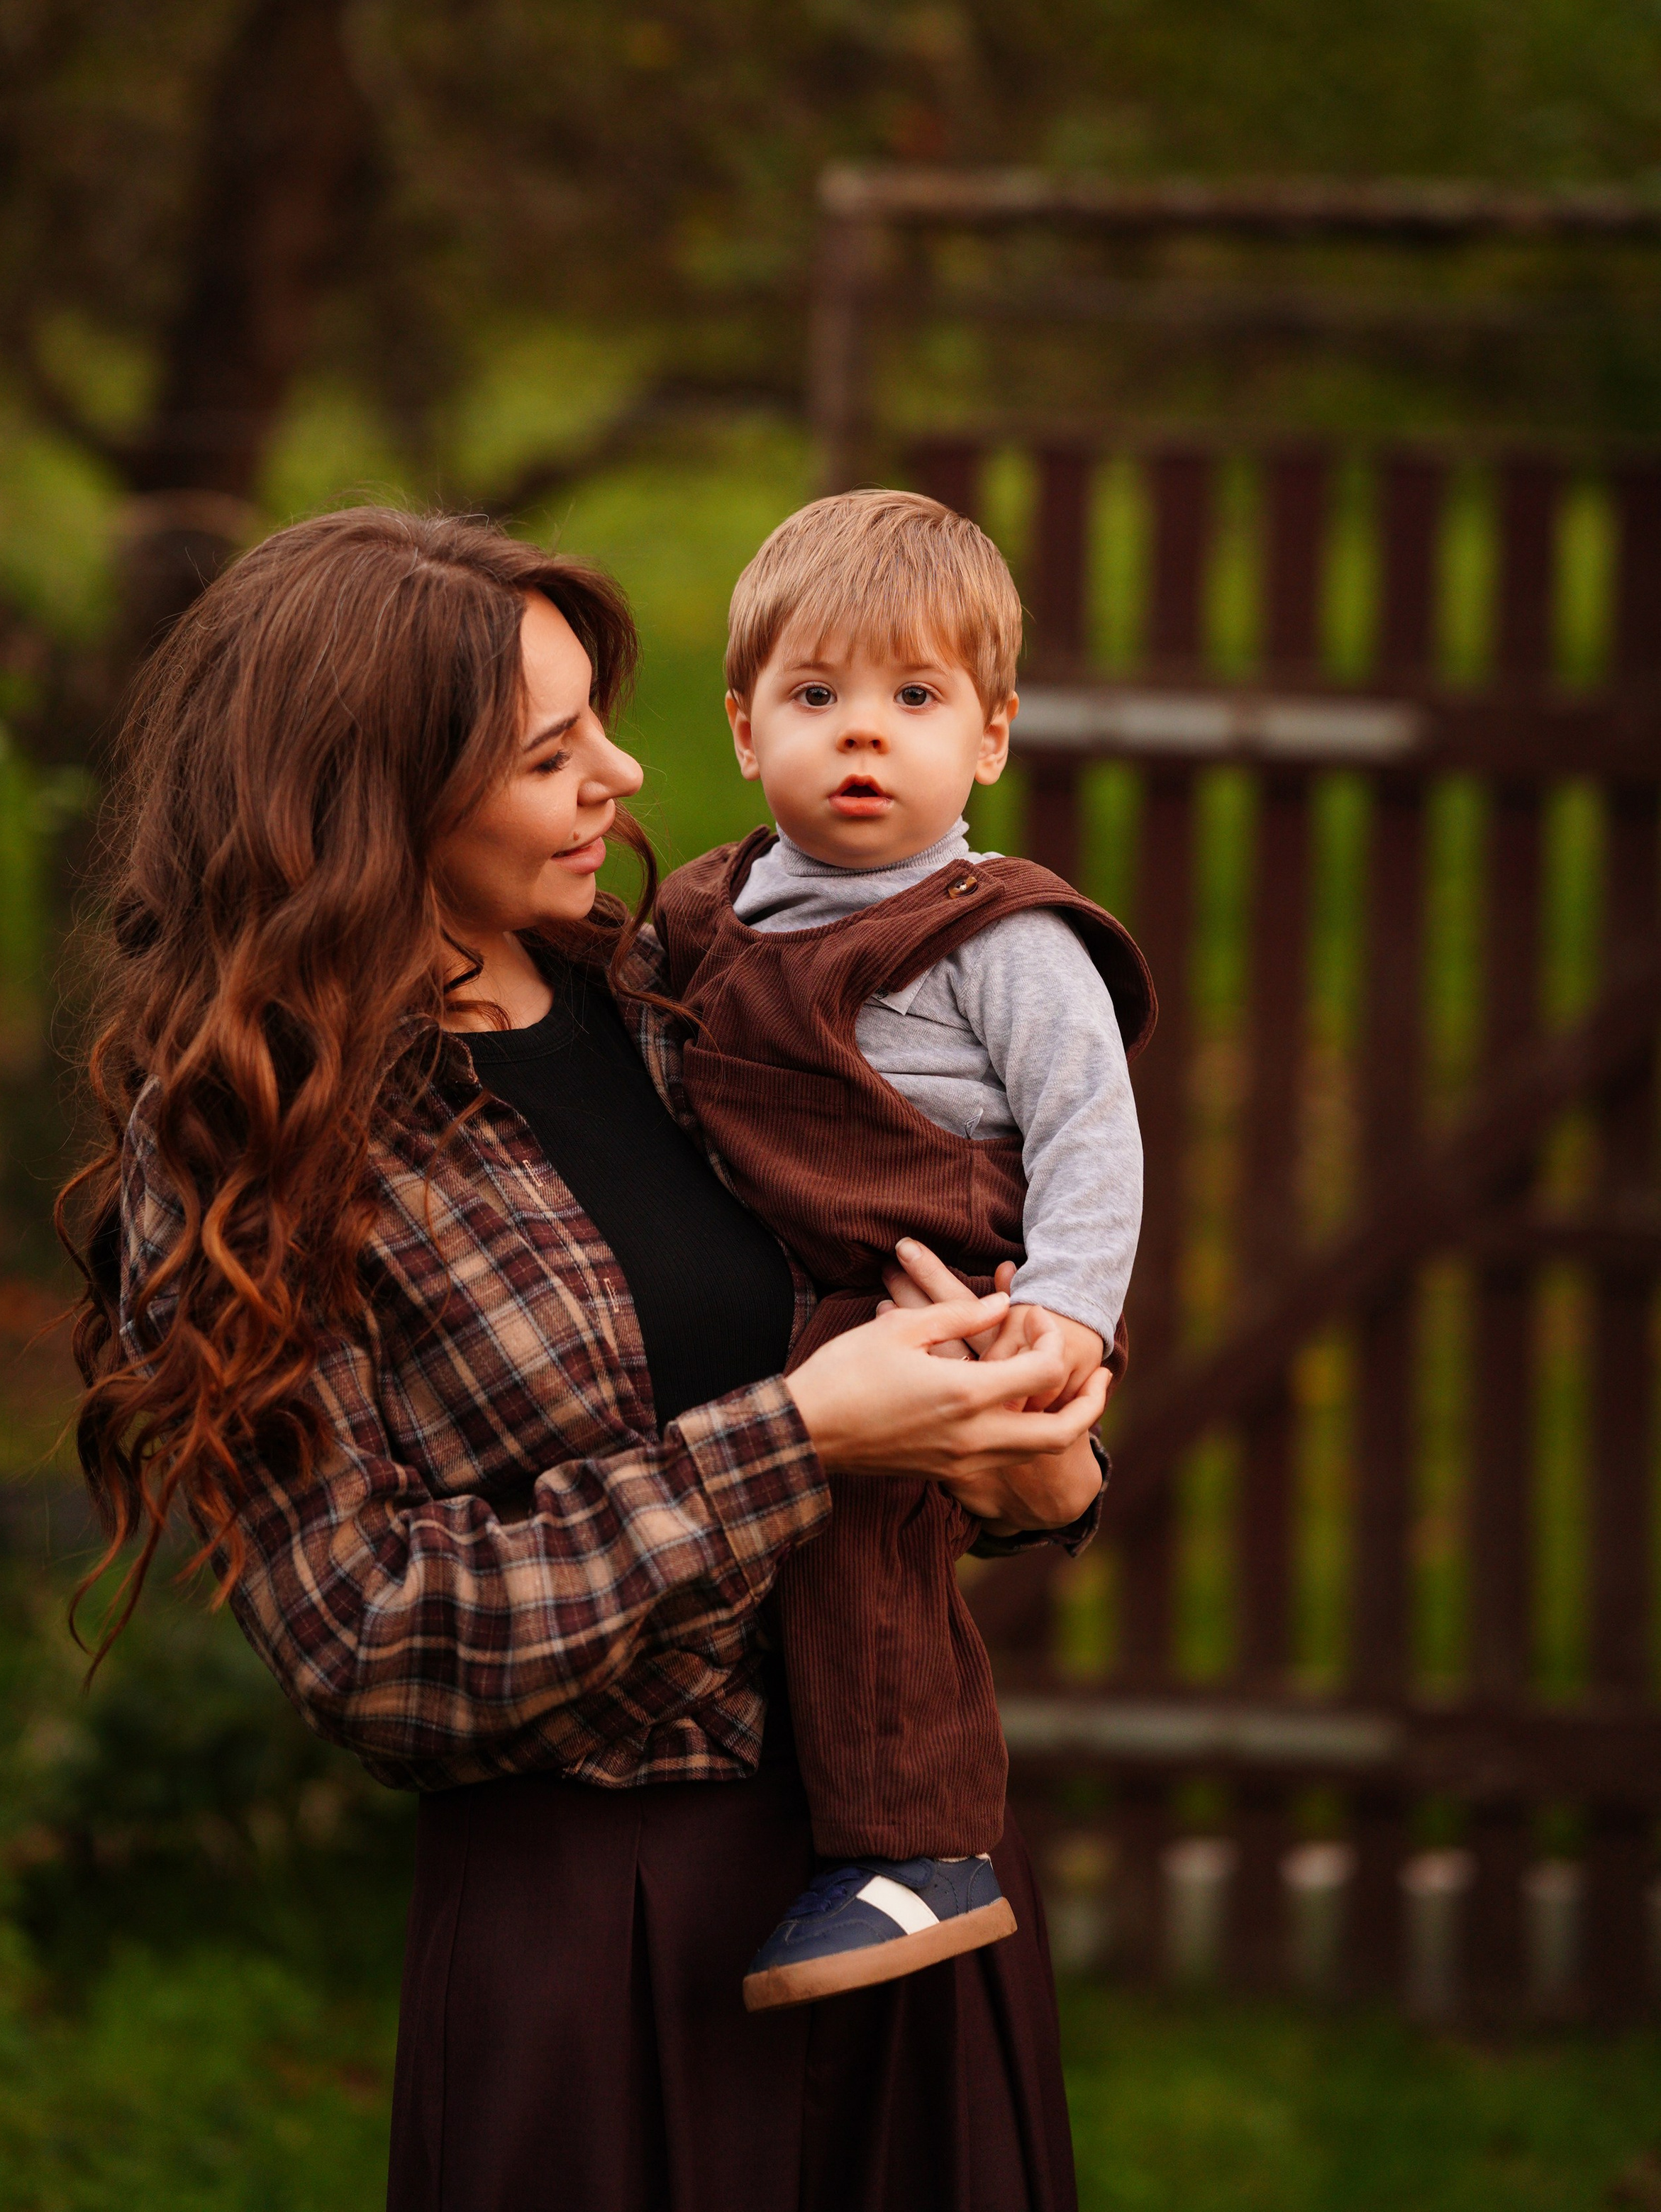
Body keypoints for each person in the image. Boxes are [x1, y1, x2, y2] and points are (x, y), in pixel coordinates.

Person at [62, 506, 1111, 2212]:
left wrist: (1028, 1459)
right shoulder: (245, 1154)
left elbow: (896, 1339)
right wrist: (800, 1441)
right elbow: (370, 1642)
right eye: (551, 753)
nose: (623, 776)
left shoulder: (678, 1010)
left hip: (908, 1873)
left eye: (600, 725)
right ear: (372, 798)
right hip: (601, 1947)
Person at [655, 489, 1152, 2009]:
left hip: (915, 1275)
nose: (861, 737)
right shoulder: (710, 911)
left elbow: (1089, 1134)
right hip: (776, 1270)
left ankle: (914, 1849)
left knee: (870, 1545)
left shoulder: (999, 939)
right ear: (745, 731)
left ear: (989, 739)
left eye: (913, 699)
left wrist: (1068, 1313)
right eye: (817, 698)